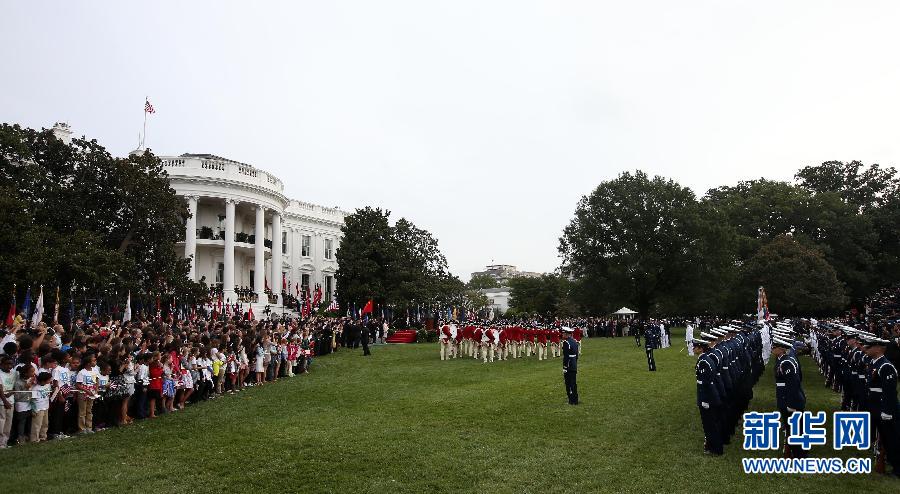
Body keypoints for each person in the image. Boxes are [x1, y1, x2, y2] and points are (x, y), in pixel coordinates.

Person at [862, 335, 900, 476]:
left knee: (892, 438)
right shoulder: (874, 363)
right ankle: (889, 461)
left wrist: (887, 411)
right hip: (875, 406)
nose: (866, 349)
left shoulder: (885, 366)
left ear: (878, 348)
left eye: (869, 347)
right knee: (884, 437)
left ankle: (897, 467)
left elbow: (889, 392)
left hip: (885, 408)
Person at [772, 337, 805, 458]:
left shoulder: (786, 362)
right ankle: (794, 452)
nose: (772, 349)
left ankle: (798, 454)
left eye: (774, 347)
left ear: (781, 349)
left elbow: (793, 383)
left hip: (791, 399)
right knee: (791, 427)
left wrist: (791, 403)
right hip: (785, 397)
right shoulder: (783, 360)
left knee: (794, 429)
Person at [693, 337, 722, 455]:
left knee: (710, 424)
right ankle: (711, 446)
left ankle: (716, 448)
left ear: (701, 348)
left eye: (695, 347)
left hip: (707, 396)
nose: (693, 349)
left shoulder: (704, 361)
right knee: (709, 423)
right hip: (708, 395)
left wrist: (705, 400)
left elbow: (706, 383)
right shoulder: (705, 359)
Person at [561, 327, 579, 405]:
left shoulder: (566, 343)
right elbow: (577, 355)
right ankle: (575, 399)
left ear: (566, 334)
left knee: (569, 383)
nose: (562, 335)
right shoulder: (574, 341)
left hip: (569, 365)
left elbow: (566, 356)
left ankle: (571, 400)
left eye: (563, 333)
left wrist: (565, 367)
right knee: (574, 383)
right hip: (574, 363)